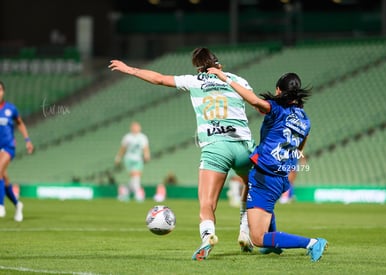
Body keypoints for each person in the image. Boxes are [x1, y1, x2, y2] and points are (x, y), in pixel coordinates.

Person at [109, 47, 256, 261]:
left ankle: (207, 238)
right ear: (219, 66)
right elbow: (255, 102)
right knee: (251, 185)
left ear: (198, 68)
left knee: (206, 203)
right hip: (243, 144)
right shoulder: (237, 80)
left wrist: (130, 69)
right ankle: (245, 229)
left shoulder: (194, 81)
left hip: (215, 147)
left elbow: (158, 79)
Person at [208, 68, 328, 262]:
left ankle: (312, 243)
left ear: (279, 91)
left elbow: (255, 101)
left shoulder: (277, 109)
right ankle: (274, 247)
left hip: (265, 176)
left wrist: (225, 79)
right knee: (263, 211)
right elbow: (299, 148)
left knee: (257, 238)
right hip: (280, 178)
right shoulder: (305, 120)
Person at [0, 80, 34, 221]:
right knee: (4, 178)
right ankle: (18, 204)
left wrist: (27, 140)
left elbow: (20, 124)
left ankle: (0, 206)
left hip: (8, 147)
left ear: (3, 92)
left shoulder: (10, 109)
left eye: (0, 90)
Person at [115, 121, 151, 202]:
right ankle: (138, 193)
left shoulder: (143, 137)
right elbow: (123, 148)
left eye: (136, 127)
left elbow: (145, 148)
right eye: (133, 127)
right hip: (129, 159)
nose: (135, 128)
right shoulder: (127, 137)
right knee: (135, 175)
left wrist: (146, 155)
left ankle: (125, 191)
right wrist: (118, 158)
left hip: (138, 159)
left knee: (135, 177)